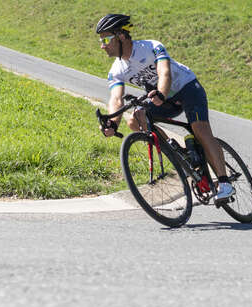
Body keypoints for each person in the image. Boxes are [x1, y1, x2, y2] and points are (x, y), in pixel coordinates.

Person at [96, 14, 234, 202]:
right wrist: (112, 121)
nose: (102, 45)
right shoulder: (116, 71)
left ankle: (225, 183)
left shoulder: (151, 47)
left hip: (186, 88)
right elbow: (116, 98)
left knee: (199, 129)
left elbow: (164, 71)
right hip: (162, 99)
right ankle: (178, 156)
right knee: (135, 121)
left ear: (121, 36)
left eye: (105, 39)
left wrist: (161, 92)